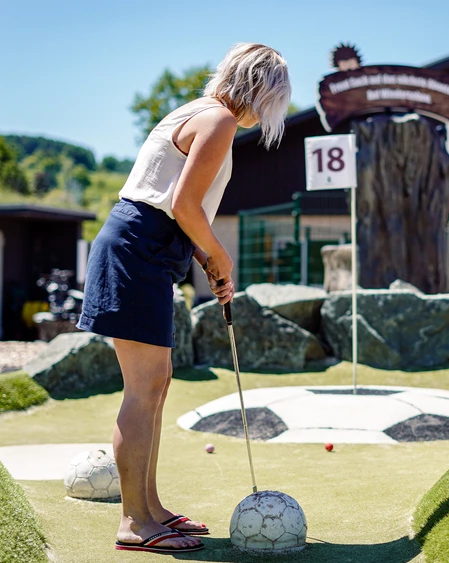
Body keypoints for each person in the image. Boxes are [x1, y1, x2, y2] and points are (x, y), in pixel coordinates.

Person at [77, 43, 291, 554]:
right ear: (260, 88)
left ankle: (151, 509)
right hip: (138, 249)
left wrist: (203, 255)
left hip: (150, 248)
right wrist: (221, 255)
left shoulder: (200, 113)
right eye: (273, 101)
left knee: (157, 383)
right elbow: (183, 204)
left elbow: (176, 206)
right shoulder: (217, 120)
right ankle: (134, 523)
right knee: (143, 387)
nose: (268, 116)